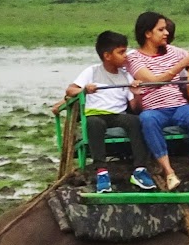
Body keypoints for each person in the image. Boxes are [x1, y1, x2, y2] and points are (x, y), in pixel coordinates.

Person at [126, 11, 189, 190]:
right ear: (147, 33)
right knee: (147, 120)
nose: (167, 33)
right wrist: (181, 65)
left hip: (179, 105)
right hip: (154, 108)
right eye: (161, 30)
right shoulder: (134, 57)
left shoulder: (172, 51)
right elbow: (154, 80)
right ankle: (169, 172)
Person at [65, 30, 156, 192]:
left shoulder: (126, 76)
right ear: (107, 56)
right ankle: (101, 172)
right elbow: (70, 90)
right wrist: (84, 90)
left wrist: (136, 95)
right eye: (121, 52)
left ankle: (140, 170)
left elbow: (135, 108)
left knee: (135, 121)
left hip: (118, 116)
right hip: (96, 114)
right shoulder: (92, 71)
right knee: (94, 124)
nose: (125, 56)